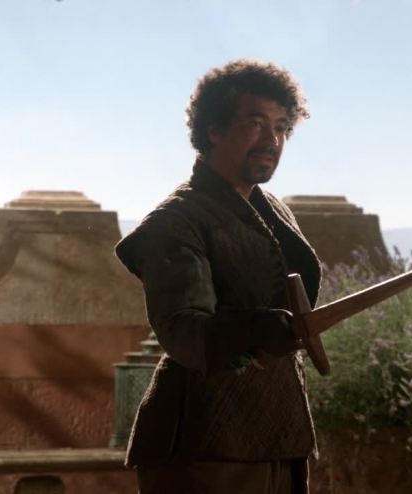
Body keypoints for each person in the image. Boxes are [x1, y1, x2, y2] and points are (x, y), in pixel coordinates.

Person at [115, 59, 322, 494]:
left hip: (279, 435)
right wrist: (255, 328)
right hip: (201, 447)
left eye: (281, 127)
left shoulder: (274, 209)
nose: (272, 140)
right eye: (255, 123)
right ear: (214, 129)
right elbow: (183, 330)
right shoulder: (176, 221)